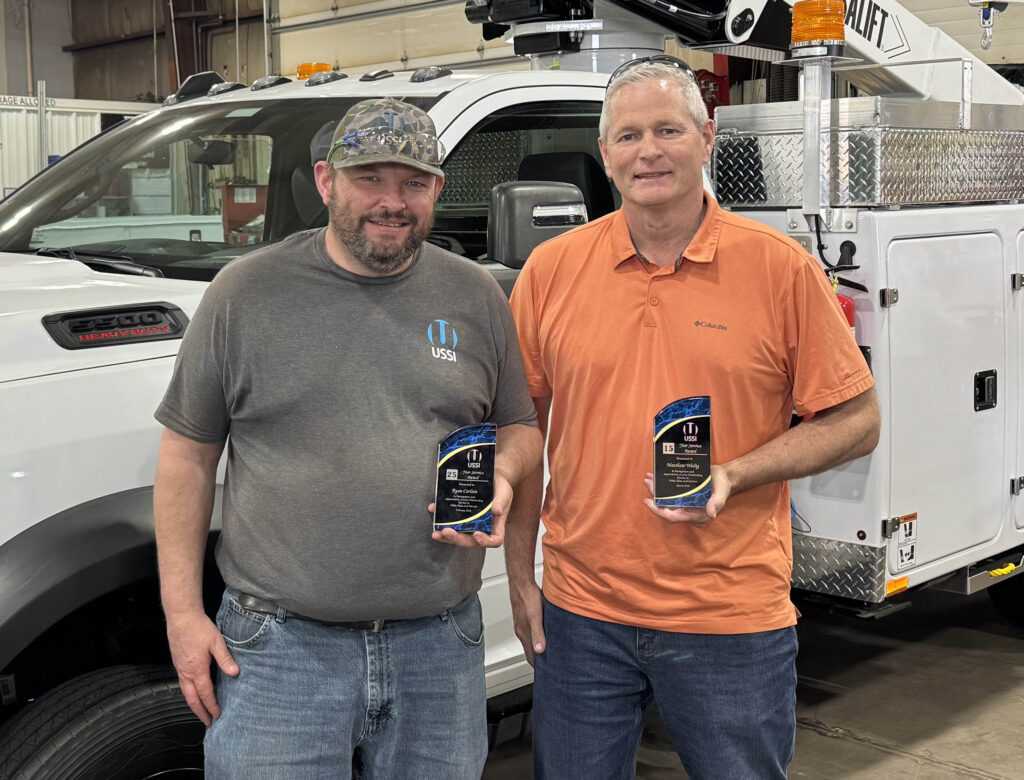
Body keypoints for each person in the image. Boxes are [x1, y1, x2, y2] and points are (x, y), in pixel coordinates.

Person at [506, 58, 881, 780]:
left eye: (669, 130)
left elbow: (856, 420)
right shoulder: (551, 272)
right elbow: (523, 434)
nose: (649, 150)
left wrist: (736, 473)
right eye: (629, 135)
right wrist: (523, 580)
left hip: (728, 616)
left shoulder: (779, 269)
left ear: (706, 139)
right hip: (583, 615)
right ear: (606, 152)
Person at [153, 98, 542, 779]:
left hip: (439, 647)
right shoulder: (245, 295)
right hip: (279, 650)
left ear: (437, 191)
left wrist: (504, 474)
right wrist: (182, 614)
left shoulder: (476, 295)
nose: (392, 202)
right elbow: (187, 456)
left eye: (413, 183)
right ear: (328, 181)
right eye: (371, 180)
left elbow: (520, 428)